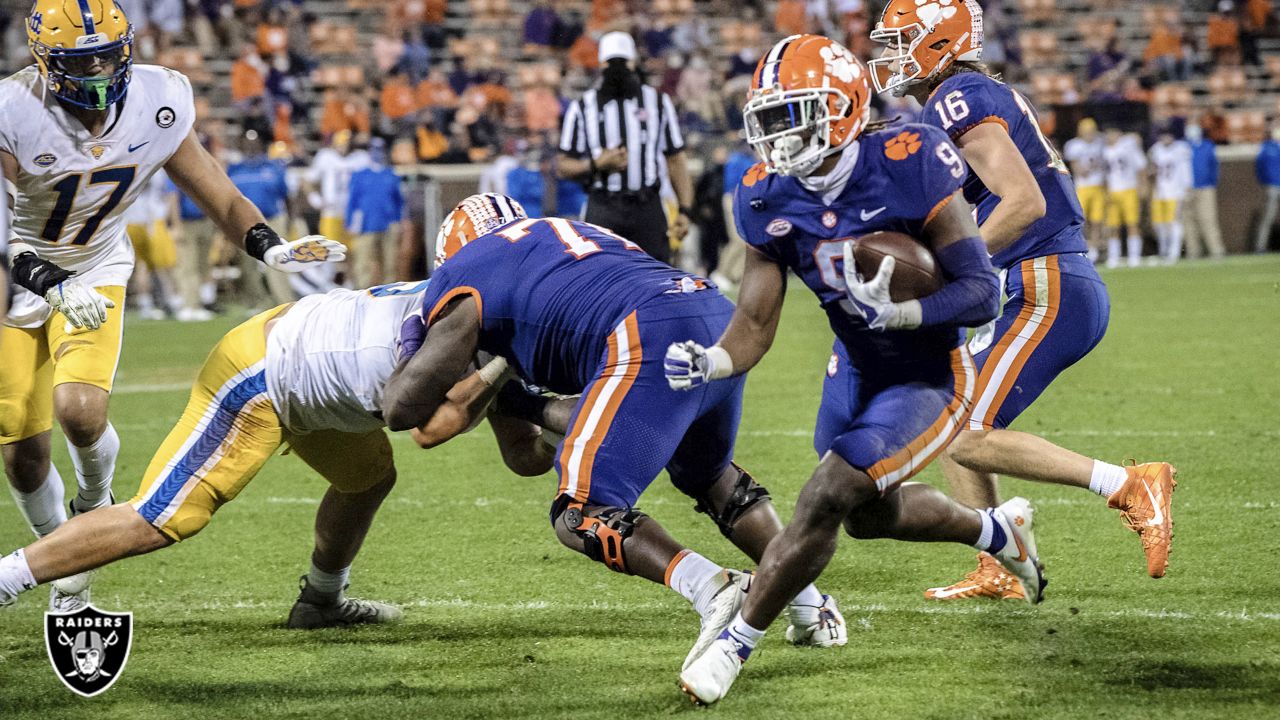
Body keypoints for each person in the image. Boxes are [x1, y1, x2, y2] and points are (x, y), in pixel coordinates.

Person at [673, 35, 1040, 705]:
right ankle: (997, 530)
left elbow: (980, 289)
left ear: (843, 108)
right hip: (853, 368)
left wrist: (906, 313)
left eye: (798, 114)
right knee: (867, 516)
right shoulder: (763, 194)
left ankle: (735, 644)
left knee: (825, 494)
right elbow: (754, 322)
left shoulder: (909, 157)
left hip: (930, 371)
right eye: (773, 117)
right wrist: (713, 360)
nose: (781, 137)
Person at [383, 193, 849, 672]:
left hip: (644, 333)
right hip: (709, 312)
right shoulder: (557, 240)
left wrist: (419, 343)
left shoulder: (465, 275)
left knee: (581, 511)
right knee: (708, 474)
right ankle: (811, 607)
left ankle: (712, 587)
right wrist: (518, 396)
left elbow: (402, 410)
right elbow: (590, 419)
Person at [0, 0, 345, 612]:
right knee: (22, 454)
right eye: (84, 62)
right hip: (14, 274)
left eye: (110, 54)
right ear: (44, 62)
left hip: (97, 263)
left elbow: (218, 192)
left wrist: (271, 248)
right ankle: (61, 549)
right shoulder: (12, 110)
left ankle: (94, 503)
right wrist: (45, 278)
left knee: (80, 411)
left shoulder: (157, 101)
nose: (102, 72)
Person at [0, 275, 552, 625]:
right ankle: (7, 579)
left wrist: (569, 415)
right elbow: (430, 430)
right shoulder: (474, 327)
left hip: (313, 376)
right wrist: (527, 387)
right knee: (164, 516)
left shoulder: (479, 305)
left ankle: (321, 601)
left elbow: (524, 456)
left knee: (368, 477)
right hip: (267, 372)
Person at [866, 0, 1176, 601]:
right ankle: (1000, 564)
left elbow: (1024, 202)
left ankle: (1129, 483)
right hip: (1033, 282)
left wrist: (952, 270)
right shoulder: (961, 97)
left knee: (963, 433)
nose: (892, 54)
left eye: (903, 39)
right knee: (949, 412)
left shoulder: (957, 95)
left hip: (1045, 283)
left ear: (940, 42)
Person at [556, 32, 695, 264]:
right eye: (613, 63)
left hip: (647, 205)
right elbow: (563, 165)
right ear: (601, 64)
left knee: (656, 278)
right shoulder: (582, 107)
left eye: (623, 62)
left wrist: (685, 210)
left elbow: (675, 159)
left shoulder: (658, 103)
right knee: (598, 277)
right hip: (603, 205)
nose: (618, 69)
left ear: (634, 63)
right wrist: (596, 164)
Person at [227, 130, 298, 307]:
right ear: (242, 146)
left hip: (272, 220)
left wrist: (290, 221)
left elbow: (287, 197)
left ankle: (283, 302)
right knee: (248, 265)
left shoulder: (273, 167)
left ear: (260, 145)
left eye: (254, 143)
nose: (251, 147)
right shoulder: (235, 170)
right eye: (247, 143)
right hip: (245, 222)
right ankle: (256, 303)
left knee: (278, 260)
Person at [346, 139, 405, 287]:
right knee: (363, 261)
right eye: (374, 149)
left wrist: (398, 221)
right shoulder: (360, 175)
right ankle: (362, 292)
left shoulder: (391, 175)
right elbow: (352, 201)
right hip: (366, 224)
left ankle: (389, 292)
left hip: (388, 223)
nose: (377, 153)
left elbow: (399, 201)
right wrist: (351, 222)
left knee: (389, 262)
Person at [1063, 118, 1109, 262]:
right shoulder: (1074, 145)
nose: (1089, 134)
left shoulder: (1101, 143)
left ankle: (1094, 250)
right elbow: (1078, 169)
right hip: (1082, 187)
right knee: (1082, 222)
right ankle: (1084, 247)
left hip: (1098, 187)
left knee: (1097, 221)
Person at [1103, 129, 1148, 267]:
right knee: (1112, 225)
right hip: (1112, 191)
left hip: (1129, 189)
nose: (1110, 135)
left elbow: (1141, 167)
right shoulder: (1104, 149)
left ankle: (1134, 256)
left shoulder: (1127, 146)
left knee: (1132, 223)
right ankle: (1114, 256)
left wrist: (1143, 185)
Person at [1148, 128, 1193, 263]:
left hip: (1175, 191)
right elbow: (1153, 169)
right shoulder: (1156, 149)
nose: (1165, 139)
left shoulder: (1181, 149)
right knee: (1159, 224)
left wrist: (1186, 188)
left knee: (1173, 222)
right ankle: (1164, 251)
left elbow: (1185, 170)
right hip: (1159, 191)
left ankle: (1174, 252)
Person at [1183, 123, 1226, 259]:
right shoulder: (1182, 147)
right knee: (1188, 221)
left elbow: (1214, 166)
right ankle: (1193, 251)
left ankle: (1216, 250)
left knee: (1208, 219)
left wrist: (1212, 183)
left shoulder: (1207, 145)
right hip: (1186, 189)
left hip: (1205, 187)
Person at [1254, 124, 1280, 253]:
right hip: (1273, 185)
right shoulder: (1267, 146)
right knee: (1268, 217)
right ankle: (1260, 246)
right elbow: (1259, 166)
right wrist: (1265, 181)